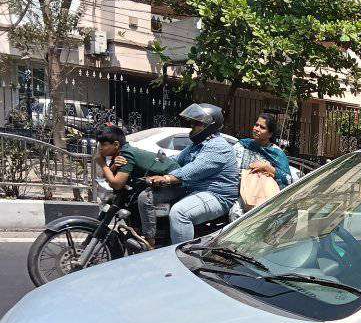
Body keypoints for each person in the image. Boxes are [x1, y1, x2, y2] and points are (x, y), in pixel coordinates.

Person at [146, 103, 239, 244]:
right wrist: (151, 163)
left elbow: (194, 169)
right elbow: (175, 160)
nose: (192, 126)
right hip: (194, 189)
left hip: (217, 195)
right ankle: (152, 238)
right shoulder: (197, 145)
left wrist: (167, 178)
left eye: (197, 123)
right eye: (193, 122)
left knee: (179, 213)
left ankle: (180, 256)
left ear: (209, 126)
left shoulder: (219, 146)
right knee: (147, 196)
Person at [95, 126, 183, 248]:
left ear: (115, 144)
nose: (100, 148)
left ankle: (149, 240)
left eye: (103, 144)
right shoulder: (119, 154)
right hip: (157, 183)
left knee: (145, 198)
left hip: (174, 182)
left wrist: (102, 164)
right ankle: (136, 229)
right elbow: (110, 179)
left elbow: (117, 183)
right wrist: (113, 166)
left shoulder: (127, 153)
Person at [230, 112, 293, 220]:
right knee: (235, 214)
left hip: (263, 196)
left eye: (262, 127)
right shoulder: (243, 145)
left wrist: (268, 168)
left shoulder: (276, 153)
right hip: (237, 191)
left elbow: (288, 180)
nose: (257, 129)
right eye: (256, 125)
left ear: (270, 134)